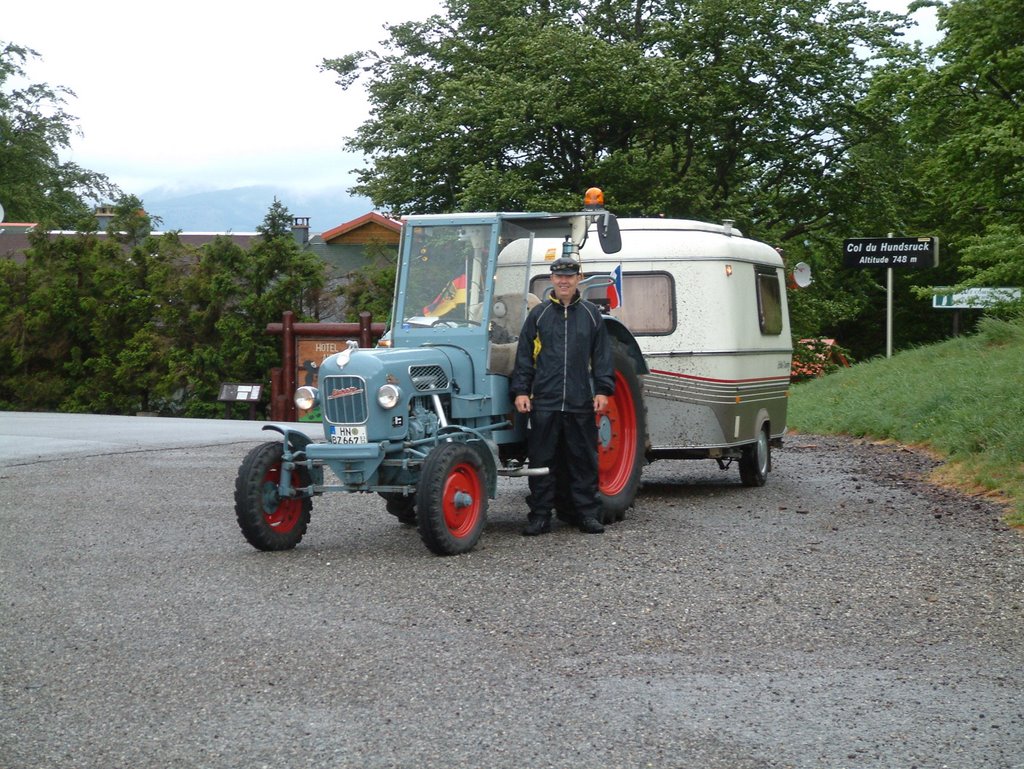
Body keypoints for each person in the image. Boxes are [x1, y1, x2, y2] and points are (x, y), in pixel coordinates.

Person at [510, 255, 615, 535]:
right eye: (558, 276)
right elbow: (524, 358)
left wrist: (603, 389)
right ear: (552, 279)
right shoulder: (539, 315)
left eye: (569, 276)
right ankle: (540, 516)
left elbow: (602, 356)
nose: (564, 281)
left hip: (581, 400)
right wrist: (521, 391)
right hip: (545, 401)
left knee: (583, 460)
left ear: (578, 278)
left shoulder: (592, 314)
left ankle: (587, 515)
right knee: (542, 461)